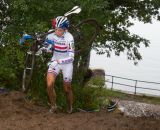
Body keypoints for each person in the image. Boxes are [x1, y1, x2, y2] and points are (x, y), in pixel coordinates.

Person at [44, 16, 74, 114]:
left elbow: (71, 57)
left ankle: (70, 107)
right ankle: (54, 106)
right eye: (56, 29)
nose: (57, 32)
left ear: (65, 29)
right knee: (49, 84)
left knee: (67, 89)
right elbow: (46, 47)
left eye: (60, 30)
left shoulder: (69, 38)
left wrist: (58, 61)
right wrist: (46, 49)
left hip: (66, 63)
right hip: (55, 61)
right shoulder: (50, 34)